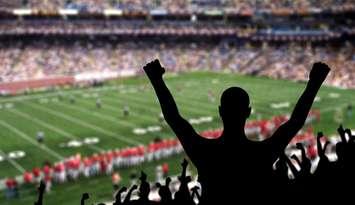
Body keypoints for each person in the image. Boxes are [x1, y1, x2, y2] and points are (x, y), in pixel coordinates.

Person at [144, 59, 330, 203]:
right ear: (248, 112)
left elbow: (174, 119)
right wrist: (314, 84)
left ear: (220, 112)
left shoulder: (205, 152)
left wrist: (157, 81)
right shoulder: (261, 153)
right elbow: (295, 122)